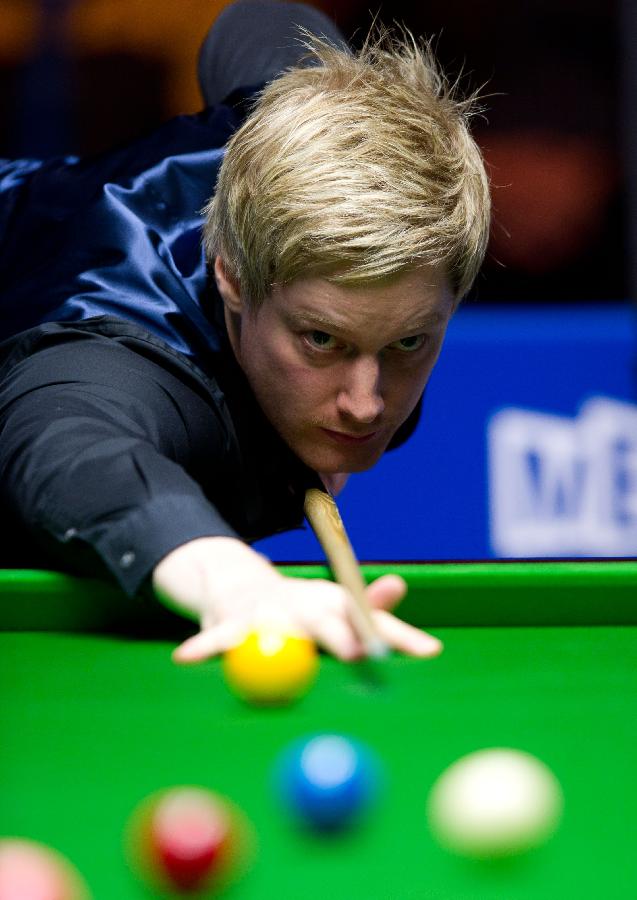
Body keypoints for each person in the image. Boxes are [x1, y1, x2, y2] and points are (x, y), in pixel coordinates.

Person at [0, 1, 490, 662]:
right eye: (321, 339)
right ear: (231, 276)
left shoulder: (297, 120)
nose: (366, 402)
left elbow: (255, 22)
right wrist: (233, 581)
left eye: (406, 343)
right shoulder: (121, 351)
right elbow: (73, 449)